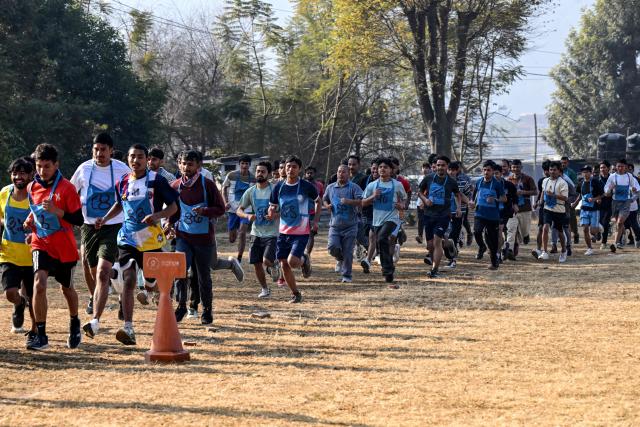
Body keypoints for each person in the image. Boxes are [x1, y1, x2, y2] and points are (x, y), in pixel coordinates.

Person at [94, 144, 179, 345]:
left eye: (140, 157)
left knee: (150, 278)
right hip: (127, 238)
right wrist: (105, 219)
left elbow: (174, 207)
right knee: (129, 278)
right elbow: (119, 204)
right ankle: (128, 328)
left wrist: (157, 216)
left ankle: (151, 288)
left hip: (150, 238)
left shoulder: (156, 181)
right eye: (132, 157)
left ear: (147, 159)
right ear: (128, 159)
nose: (136, 160)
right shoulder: (122, 181)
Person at [24, 144, 85, 350]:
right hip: (40, 242)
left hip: (64, 246)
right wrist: (30, 220)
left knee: (66, 288)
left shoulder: (66, 188)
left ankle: (74, 322)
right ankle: (40, 335)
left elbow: (78, 219)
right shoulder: (32, 187)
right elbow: (36, 210)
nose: (42, 171)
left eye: (47, 166)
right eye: (39, 166)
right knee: (39, 284)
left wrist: (58, 211)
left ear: (56, 165)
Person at [70, 133, 131, 339]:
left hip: (114, 225)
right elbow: (70, 194)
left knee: (103, 272)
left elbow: (132, 195)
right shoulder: (84, 169)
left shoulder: (123, 170)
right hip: (89, 227)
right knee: (92, 269)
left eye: (103, 150)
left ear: (111, 151)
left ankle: (95, 320)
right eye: (96, 149)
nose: (99, 154)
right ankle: (115, 291)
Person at [166, 150, 225, 325]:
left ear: (198, 165)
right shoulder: (175, 186)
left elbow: (221, 209)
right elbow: (173, 211)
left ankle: (207, 310)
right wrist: (168, 223)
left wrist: (205, 211)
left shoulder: (207, 185)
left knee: (203, 276)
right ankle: (181, 306)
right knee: (179, 272)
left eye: (190, 164)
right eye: (183, 163)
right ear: (179, 164)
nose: (186, 167)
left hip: (204, 238)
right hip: (183, 237)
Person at [268, 156, 320, 303]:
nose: (290, 169)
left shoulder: (306, 186)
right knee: (284, 263)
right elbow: (272, 205)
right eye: (288, 166)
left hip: (301, 231)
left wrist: (315, 221)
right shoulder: (279, 187)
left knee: (293, 262)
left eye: (294, 167)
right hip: (284, 232)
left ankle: (304, 259)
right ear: (284, 168)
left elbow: (318, 202)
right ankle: (295, 294)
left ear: (299, 169)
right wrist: (271, 211)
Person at [1, 158, 36, 339]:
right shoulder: (4, 193)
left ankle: (36, 331)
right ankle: (18, 304)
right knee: (9, 293)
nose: (18, 177)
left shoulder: (36, 196)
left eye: (23, 173)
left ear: (31, 175)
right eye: (15, 173)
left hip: (32, 256)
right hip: (9, 254)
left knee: (34, 297)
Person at [237, 161, 279, 298]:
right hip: (256, 232)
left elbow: (285, 210)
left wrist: (275, 215)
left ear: (268, 173)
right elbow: (239, 210)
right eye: (258, 171)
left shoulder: (274, 190)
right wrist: (247, 216)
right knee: (256, 263)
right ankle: (265, 289)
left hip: (272, 233)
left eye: (263, 171)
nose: (260, 174)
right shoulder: (251, 191)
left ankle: (273, 265)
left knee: (266, 261)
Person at [362, 158, 407, 284]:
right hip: (377, 220)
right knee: (380, 241)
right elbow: (363, 202)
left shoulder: (397, 185)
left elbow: (404, 199)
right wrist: (373, 196)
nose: (382, 169)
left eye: (385, 167)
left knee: (382, 238)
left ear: (391, 170)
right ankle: (389, 268)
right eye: (380, 167)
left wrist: (401, 205)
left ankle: (387, 270)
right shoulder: (372, 185)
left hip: (392, 218)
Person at [417, 156, 460, 278]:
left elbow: (457, 195)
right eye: (438, 165)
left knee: (436, 241)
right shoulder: (429, 178)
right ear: (435, 166)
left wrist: (457, 208)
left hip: (443, 215)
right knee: (430, 245)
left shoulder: (451, 181)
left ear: (447, 166)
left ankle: (435, 270)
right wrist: (425, 200)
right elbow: (419, 192)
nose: (440, 167)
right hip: (428, 214)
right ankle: (446, 246)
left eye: (443, 165)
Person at [323, 164, 363, 283]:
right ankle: (339, 258)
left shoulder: (354, 187)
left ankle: (346, 275)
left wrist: (349, 201)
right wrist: (327, 205)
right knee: (332, 247)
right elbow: (324, 199)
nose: (341, 174)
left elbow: (362, 201)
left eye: (344, 172)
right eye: (339, 171)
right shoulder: (330, 187)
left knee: (348, 251)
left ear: (348, 174)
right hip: (335, 225)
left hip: (350, 225)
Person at [469, 161, 505, 270]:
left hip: (493, 215)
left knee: (492, 240)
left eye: (488, 170)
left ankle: (494, 263)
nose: (486, 172)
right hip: (479, 213)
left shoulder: (497, 184)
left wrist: (495, 199)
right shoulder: (479, 182)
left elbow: (504, 198)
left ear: (493, 171)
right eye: (484, 170)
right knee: (476, 231)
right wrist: (472, 202)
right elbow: (474, 194)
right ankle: (481, 246)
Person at [222, 154, 256, 262]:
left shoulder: (253, 179)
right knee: (232, 239)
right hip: (232, 209)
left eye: (247, 163)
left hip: (246, 209)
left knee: (242, 232)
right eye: (243, 163)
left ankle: (239, 258)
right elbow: (223, 189)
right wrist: (225, 202)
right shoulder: (231, 175)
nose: (245, 165)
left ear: (249, 165)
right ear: (239, 164)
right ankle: (234, 233)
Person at [603, 159, 640, 251]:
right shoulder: (612, 177)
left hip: (626, 202)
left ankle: (615, 243)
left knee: (620, 222)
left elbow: (636, 188)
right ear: (616, 167)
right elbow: (606, 189)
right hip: (615, 202)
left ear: (625, 167)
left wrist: (634, 191)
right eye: (618, 166)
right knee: (618, 223)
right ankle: (624, 233)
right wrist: (608, 190)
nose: (620, 168)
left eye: (622, 166)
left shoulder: (629, 176)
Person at [538, 161, 569, 262]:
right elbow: (543, 192)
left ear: (559, 171)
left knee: (560, 232)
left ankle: (564, 251)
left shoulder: (563, 183)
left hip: (559, 211)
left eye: (554, 170)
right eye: (551, 169)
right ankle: (545, 251)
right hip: (547, 209)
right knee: (545, 227)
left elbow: (565, 198)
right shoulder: (545, 181)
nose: (552, 172)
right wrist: (540, 202)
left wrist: (553, 195)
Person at [506, 159, 537, 254]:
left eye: (518, 167)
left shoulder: (528, 179)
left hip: (525, 209)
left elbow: (535, 192)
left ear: (521, 167)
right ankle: (509, 250)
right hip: (513, 210)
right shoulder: (508, 180)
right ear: (511, 168)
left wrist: (523, 192)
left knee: (524, 231)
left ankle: (526, 235)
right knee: (511, 230)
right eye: (514, 167)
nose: (516, 169)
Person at [572, 166, 603, 255]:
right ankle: (589, 248)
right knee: (585, 229)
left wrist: (594, 199)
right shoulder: (581, 183)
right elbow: (580, 195)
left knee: (592, 231)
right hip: (584, 209)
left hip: (594, 209)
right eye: (583, 172)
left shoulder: (595, 182)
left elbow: (602, 194)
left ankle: (598, 228)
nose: (585, 174)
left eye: (587, 172)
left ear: (591, 173)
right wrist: (575, 203)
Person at [493, 165, 518, 263]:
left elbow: (514, 196)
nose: (495, 176)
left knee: (500, 230)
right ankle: (504, 246)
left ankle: (498, 255)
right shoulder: (488, 184)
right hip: (492, 211)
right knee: (496, 233)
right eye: (493, 173)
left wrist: (515, 204)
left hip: (505, 211)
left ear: (501, 173)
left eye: (497, 173)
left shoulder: (508, 185)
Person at [360, 158, 379, 274]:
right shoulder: (364, 181)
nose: (376, 171)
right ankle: (371, 253)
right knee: (368, 237)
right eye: (374, 168)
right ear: (370, 169)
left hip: (382, 214)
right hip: (366, 213)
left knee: (374, 237)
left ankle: (368, 260)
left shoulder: (390, 183)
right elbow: (360, 198)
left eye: (378, 168)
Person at [303, 166, 324, 258]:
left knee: (311, 234)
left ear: (314, 174)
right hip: (302, 213)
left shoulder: (319, 185)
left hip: (313, 213)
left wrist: (318, 215)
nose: (309, 174)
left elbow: (320, 199)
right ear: (305, 174)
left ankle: (308, 255)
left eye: (311, 173)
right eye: (308, 173)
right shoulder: (301, 184)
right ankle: (301, 253)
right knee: (302, 235)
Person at [531, 160, 551, 259]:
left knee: (559, 230)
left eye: (548, 170)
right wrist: (537, 202)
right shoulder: (541, 181)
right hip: (544, 208)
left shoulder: (560, 180)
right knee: (541, 228)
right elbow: (541, 193)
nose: (546, 172)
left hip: (557, 208)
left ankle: (564, 248)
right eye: (545, 170)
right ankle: (539, 249)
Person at [597, 161, 613, 249]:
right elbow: (594, 192)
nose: (602, 169)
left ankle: (604, 242)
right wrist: (598, 198)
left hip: (610, 204)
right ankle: (598, 233)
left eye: (604, 167)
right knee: (598, 222)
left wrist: (612, 194)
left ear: (608, 168)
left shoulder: (612, 178)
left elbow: (617, 190)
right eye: (601, 168)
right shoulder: (597, 179)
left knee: (605, 222)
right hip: (599, 204)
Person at [415, 161, 431, 244]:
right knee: (420, 220)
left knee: (428, 220)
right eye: (423, 168)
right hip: (419, 202)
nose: (425, 169)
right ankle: (420, 236)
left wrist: (424, 202)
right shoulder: (420, 178)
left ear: (430, 169)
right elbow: (420, 191)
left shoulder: (431, 178)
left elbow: (427, 191)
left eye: (427, 168)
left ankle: (429, 238)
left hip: (427, 202)